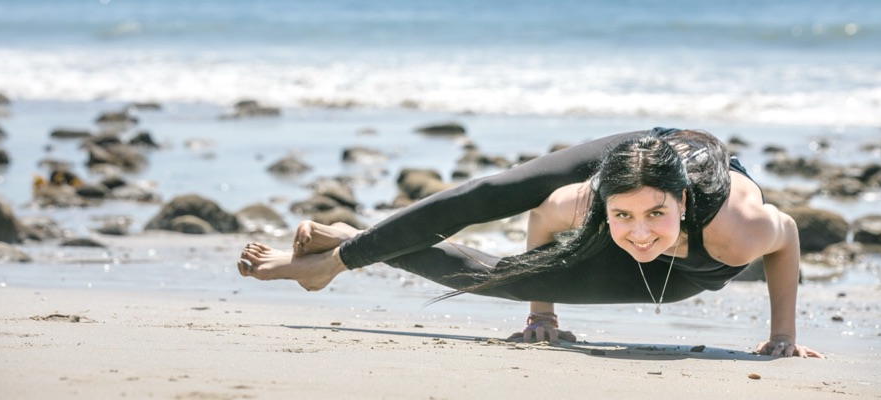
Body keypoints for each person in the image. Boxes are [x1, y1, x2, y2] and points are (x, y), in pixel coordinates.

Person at [237, 128, 824, 358]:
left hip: (686, 257)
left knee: (494, 276)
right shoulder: (580, 203)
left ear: (682, 208)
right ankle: (337, 259)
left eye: (655, 217)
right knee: (488, 192)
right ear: (601, 205)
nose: (640, 232)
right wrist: (542, 311)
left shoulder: (735, 232)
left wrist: (783, 336)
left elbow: (788, 234)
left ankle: (349, 243)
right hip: (643, 152)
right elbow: (544, 225)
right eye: (621, 217)